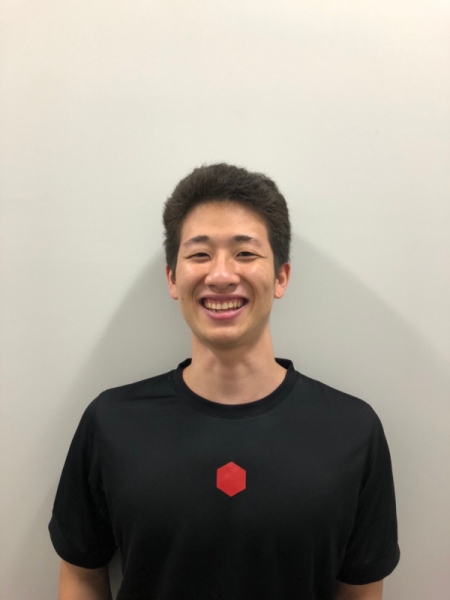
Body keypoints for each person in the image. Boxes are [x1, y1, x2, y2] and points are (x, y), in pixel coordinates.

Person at [49, 163, 400, 600]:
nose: (220, 275)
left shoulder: (352, 430)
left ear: (281, 277)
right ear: (172, 278)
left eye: (245, 253)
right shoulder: (111, 423)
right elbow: (81, 574)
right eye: (199, 255)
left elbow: (360, 590)